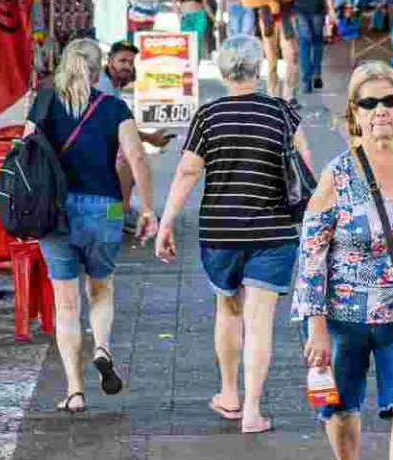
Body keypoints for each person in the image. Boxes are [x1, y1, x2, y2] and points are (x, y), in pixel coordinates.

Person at [295, 61, 393, 460]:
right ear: (355, 114)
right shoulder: (337, 174)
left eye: (389, 100)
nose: (380, 110)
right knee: (340, 408)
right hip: (342, 318)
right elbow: (312, 254)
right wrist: (316, 326)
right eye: (368, 103)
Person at [155, 35, 312, 435]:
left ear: (224, 72)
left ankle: (229, 394)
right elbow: (306, 169)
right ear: (259, 69)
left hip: (221, 231)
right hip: (273, 232)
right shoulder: (283, 113)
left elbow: (188, 171)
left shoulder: (208, 116)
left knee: (228, 311)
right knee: (260, 323)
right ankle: (253, 412)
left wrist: (166, 222)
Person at [27, 39, 158, 413]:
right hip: (107, 208)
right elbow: (136, 157)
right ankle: (102, 347)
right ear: (99, 69)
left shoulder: (44, 103)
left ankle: (75, 391)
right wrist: (148, 209)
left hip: (55, 211)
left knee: (66, 304)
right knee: (101, 288)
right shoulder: (114, 107)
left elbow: (25, 152)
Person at [96, 41, 175, 229]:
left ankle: (118, 212)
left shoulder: (113, 83)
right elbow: (120, 129)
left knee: (129, 159)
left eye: (130, 62)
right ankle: (119, 213)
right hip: (88, 149)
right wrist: (150, 139)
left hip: (97, 143)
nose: (127, 66)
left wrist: (148, 138)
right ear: (110, 61)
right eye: (122, 61)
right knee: (127, 160)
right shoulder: (104, 86)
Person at [250, 0, 303, 103]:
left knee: (292, 55)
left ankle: (289, 94)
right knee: (271, 58)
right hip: (268, 16)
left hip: (287, 15)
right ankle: (273, 94)